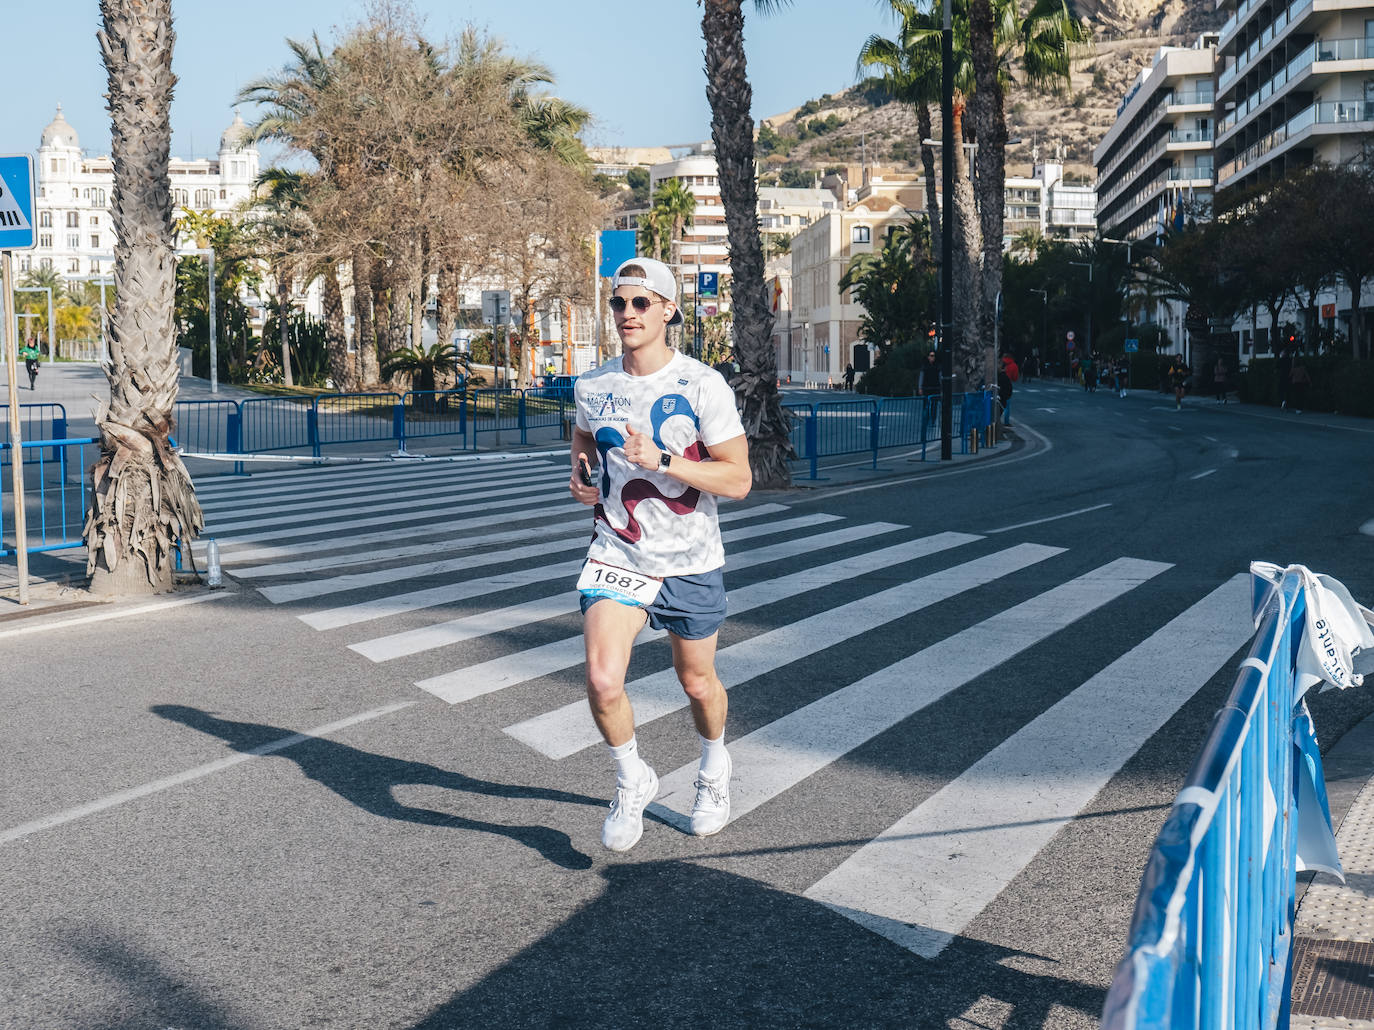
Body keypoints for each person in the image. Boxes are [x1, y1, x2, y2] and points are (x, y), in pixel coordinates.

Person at [569, 256, 752, 852]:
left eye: (640, 303)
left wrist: (666, 462)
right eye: (619, 302)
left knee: (697, 683)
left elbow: (739, 479)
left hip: (690, 559)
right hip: (617, 552)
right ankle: (632, 778)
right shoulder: (592, 385)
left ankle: (713, 767)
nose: (626, 313)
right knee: (602, 679)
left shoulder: (702, 385)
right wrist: (579, 474)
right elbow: (582, 437)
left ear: (668, 310)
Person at [919, 348, 941, 429]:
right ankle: (926, 419)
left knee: (934, 406)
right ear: (928, 357)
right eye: (931, 356)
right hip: (926, 388)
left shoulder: (937, 366)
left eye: (933, 356)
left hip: (935, 388)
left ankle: (933, 420)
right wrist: (920, 387)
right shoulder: (925, 366)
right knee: (926, 405)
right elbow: (921, 377)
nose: (932, 357)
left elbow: (939, 377)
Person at [998, 353, 1017, 427]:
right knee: (1007, 405)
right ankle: (1006, 421)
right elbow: (1015, 377)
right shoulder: (1013, 365)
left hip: (999, 384)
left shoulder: (1000, 362)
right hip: (1008, 383)